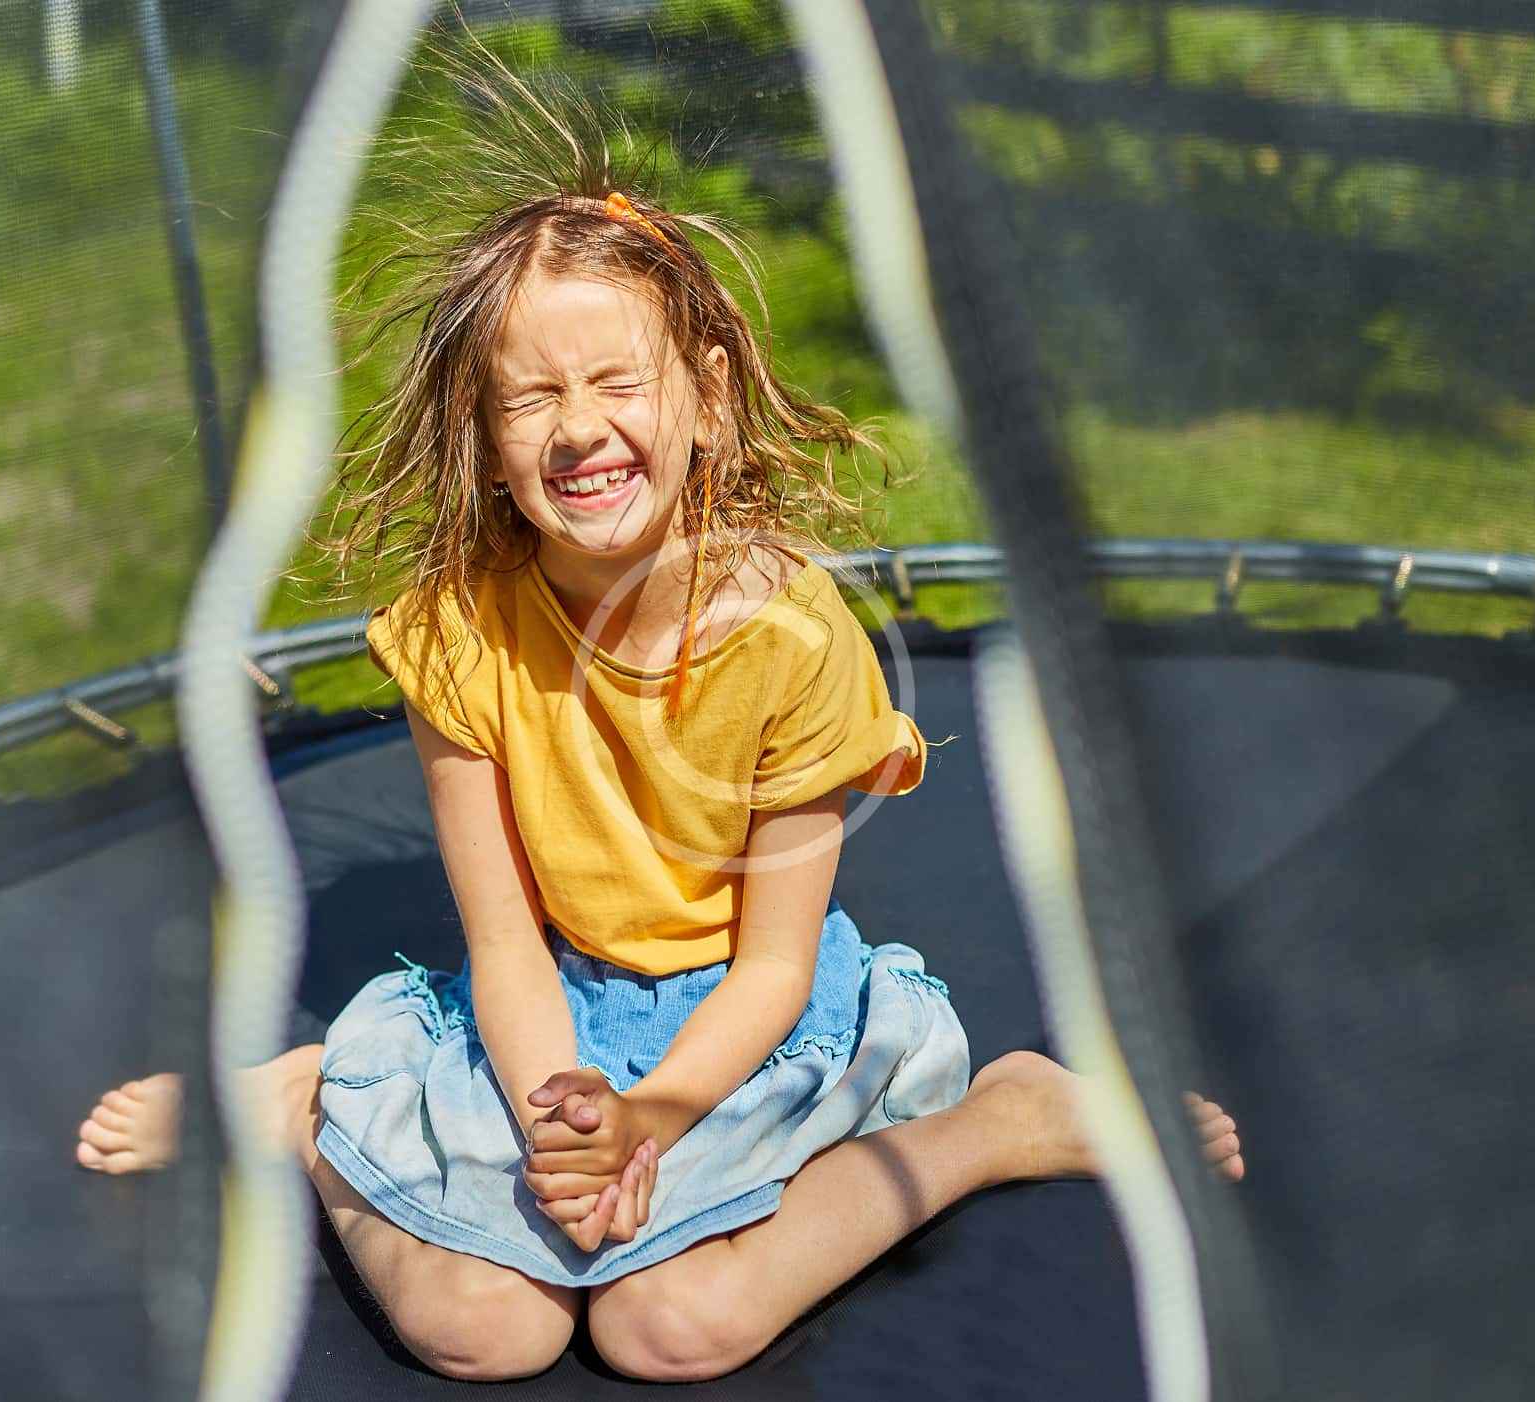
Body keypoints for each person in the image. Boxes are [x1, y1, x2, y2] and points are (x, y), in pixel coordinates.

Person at [73, 53, 1244, 1384]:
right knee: (480, 1332)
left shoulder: (795, 640)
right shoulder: (459, 635)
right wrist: (562, 1122)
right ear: (485, 439)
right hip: (548, 1014)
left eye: (617, 381)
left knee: (671, 1327)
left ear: (707, 397)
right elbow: (505, 943)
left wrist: (654, 1117)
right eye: (531, 397)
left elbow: (774, 971)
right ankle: (314, 1111)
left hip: (747, 1025)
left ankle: (994, 1124)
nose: (579, 429)